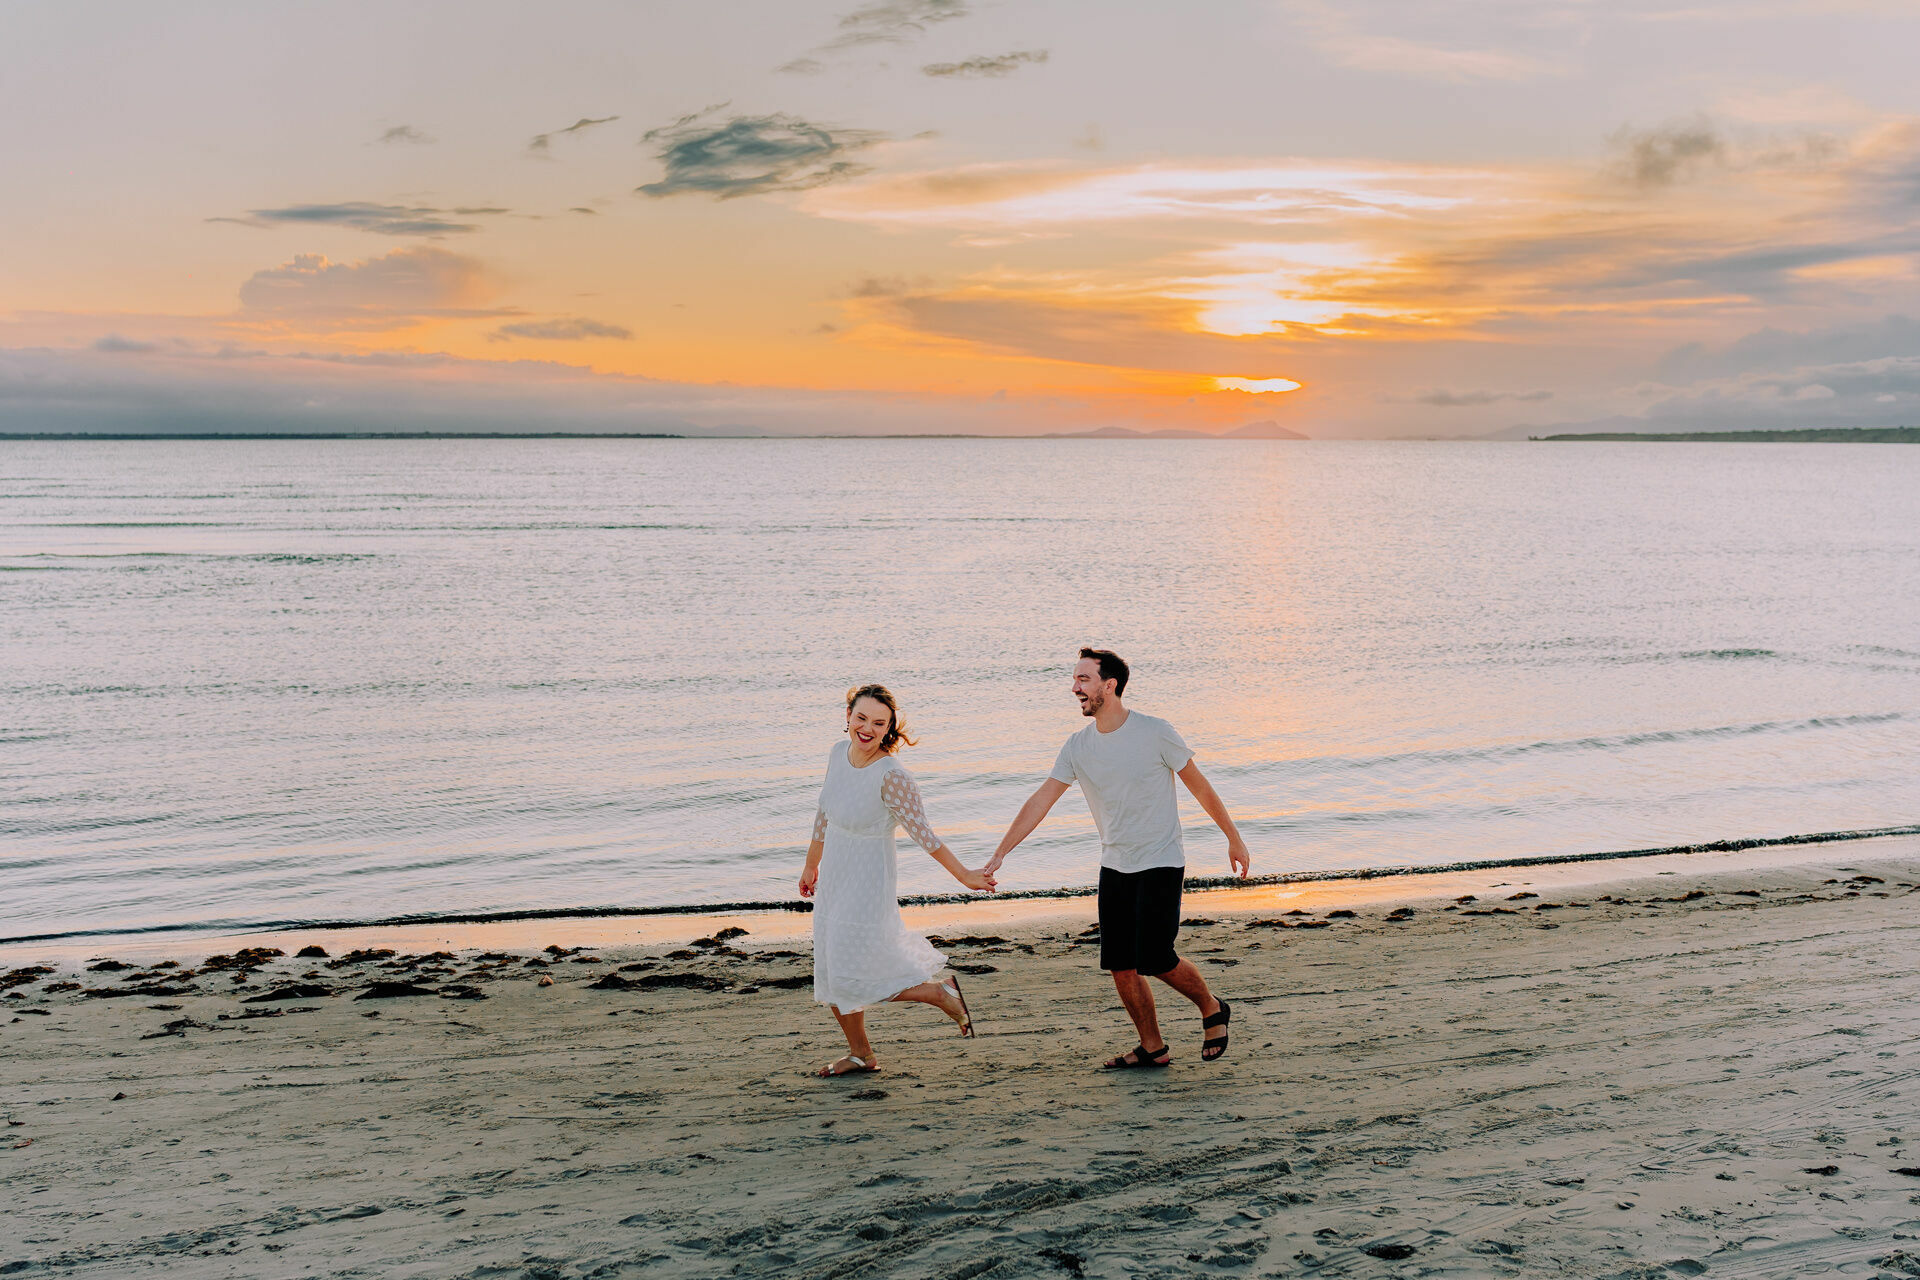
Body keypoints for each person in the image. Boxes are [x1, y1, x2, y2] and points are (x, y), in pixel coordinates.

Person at [985, 648, 1251, 1069]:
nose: (1076, 688)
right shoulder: (1077, 746)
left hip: (1161, 859)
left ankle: (1212, 1006)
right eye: (1075, 680)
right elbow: (1041, 800)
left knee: (1156, 957)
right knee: (1122, 966)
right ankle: (1152, 1047)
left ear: (1109, 686)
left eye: (1084, 680)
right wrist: (1001, 853)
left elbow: (1200, 786)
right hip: (1116, 865)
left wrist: (1233, 838)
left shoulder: (1155, 732)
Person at [799, 684, 996, 1078]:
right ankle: (861, 1055)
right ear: (848, 717)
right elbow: (824, 813)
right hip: (835, 876)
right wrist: (810, 865)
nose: (867, 729)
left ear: (889, 727)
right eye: (861, 718)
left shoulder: (893, 776)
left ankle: (938, 993)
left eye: (878, 723)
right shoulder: (838, 754)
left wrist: (965, 876)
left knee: (857, 968)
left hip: (868, 882)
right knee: (834, 970)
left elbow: (925, 836)